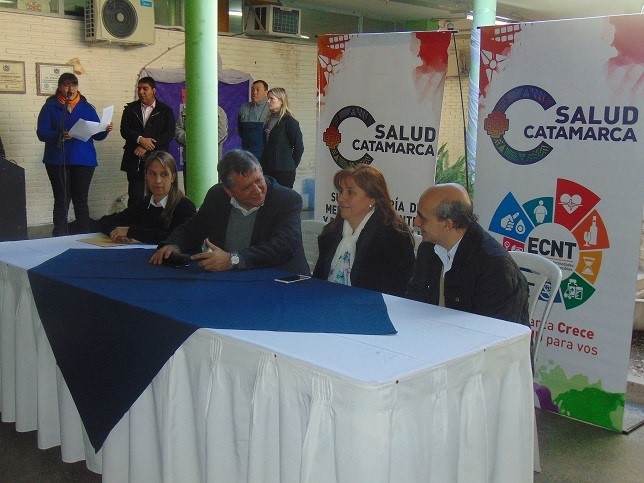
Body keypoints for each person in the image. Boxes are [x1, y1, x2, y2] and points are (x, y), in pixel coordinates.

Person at [150, 149, 309, 274]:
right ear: (228, 190)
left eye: (259, 180)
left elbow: (284, 246)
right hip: (231, 280)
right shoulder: (217, 196)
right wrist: (174, 245)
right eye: (246, 187)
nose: (257, 190)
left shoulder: (286, 199)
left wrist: (233, 260)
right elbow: (193, 228)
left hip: (282, 280)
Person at [406, 182, 529, 325]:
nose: (416, 222)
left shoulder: (495, 268)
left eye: (422, 217)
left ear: (448, 224)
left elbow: (495, 332)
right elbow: (414, 303)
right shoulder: (428, 249)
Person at [313, 164, 415, 296]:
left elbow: (393, 292)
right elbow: (318, 281)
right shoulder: (331, 232)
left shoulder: (393, 238)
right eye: (341, 191)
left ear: (372, 198)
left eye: (350, 192)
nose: (341, 198)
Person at [36, 72, 113, 237]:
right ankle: (59, 235)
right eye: (66, 85)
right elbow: (42, 133)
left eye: (74, 85)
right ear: (60, 87)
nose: (70, 88)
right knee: (62, 199)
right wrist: (59, 135)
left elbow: (98, 136)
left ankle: (83, 235)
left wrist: (104, 129)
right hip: (57, 160)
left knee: (81, 199)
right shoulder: (50, 107)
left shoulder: (86, 107)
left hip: (83, 159)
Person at [93, 151, 196, 245]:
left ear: (173, 177)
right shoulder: (143, 204)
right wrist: (117, 233)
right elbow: (105, 222)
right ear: (146, 175)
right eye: (153, 174)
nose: (158, 180)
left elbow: (178, 237)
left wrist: (131, 232)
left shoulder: (185, 206)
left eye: (164, 175)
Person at [120, 76, 175, 208]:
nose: (141, 92)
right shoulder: (130, 109)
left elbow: (169, 134)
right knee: (135, 194)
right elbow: (124, 130)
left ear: (154, 91)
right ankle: (134, 220)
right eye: (139, 89)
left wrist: (147, 145)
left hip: (157, 158)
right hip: (134, 157)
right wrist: (140, 139)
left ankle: (158, 218)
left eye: (145, 89)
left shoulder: (165, 110)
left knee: (158, 192)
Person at [175, 103, 228, 191]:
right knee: (190, 191)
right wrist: (193, 140)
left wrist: (203, 143)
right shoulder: (185, 111)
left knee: (212, 192)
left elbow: (222, 133)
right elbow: (178, 131)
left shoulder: (219, 112)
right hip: (190, 160)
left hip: (211, 161)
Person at [259, 87, 304, 189]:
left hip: (284, 171)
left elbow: (299, 147)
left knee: (283, 197)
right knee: (268, 196)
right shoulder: (268, 121)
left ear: (281, 101)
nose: (268, 101)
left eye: (271, 99)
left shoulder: (290, 122)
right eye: (268, 98)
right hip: (267, 168)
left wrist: (291, 165)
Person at [237, 80, 269, 159]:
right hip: (246, 154)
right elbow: (240, 130)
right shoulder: (244, 108)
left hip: (266, 155)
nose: (254, 93)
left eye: (258, 90)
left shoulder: (271, 108)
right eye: (252, 90)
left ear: (266, 92)